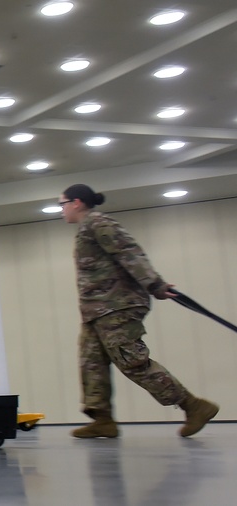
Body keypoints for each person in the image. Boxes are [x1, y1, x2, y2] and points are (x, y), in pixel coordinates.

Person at [59, 183, 218, 438]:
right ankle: (103, 419)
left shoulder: (99, 223)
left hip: (117, 306)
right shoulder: (85, 229)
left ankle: (194, 406)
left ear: (76, 203)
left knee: (132, 361)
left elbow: (129, 252)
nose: (62, 210)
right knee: (91, 362)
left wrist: (155, 284)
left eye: (62, 204)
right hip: (96, 312)